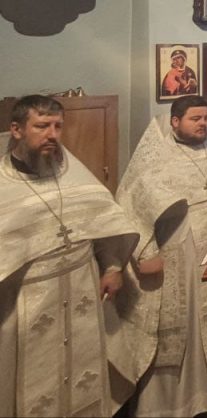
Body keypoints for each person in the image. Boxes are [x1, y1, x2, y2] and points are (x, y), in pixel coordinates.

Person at [112, 95, 207, 417]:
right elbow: (131, 209)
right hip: (180, 257)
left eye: (206, 118)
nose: (203, 124)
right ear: (175, 121)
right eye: (196, 118)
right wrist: (146, 252)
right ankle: (179, 402)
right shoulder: (154, 159)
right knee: (185, 325)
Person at [1, 95, 138, 417]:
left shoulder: (72, 172)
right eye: (42, 126)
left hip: (83, 290)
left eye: (58, 126)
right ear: (16, 130)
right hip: (26, 300)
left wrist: (112, 267)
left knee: (85, 373)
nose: (52, 135)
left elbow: (102, 223)